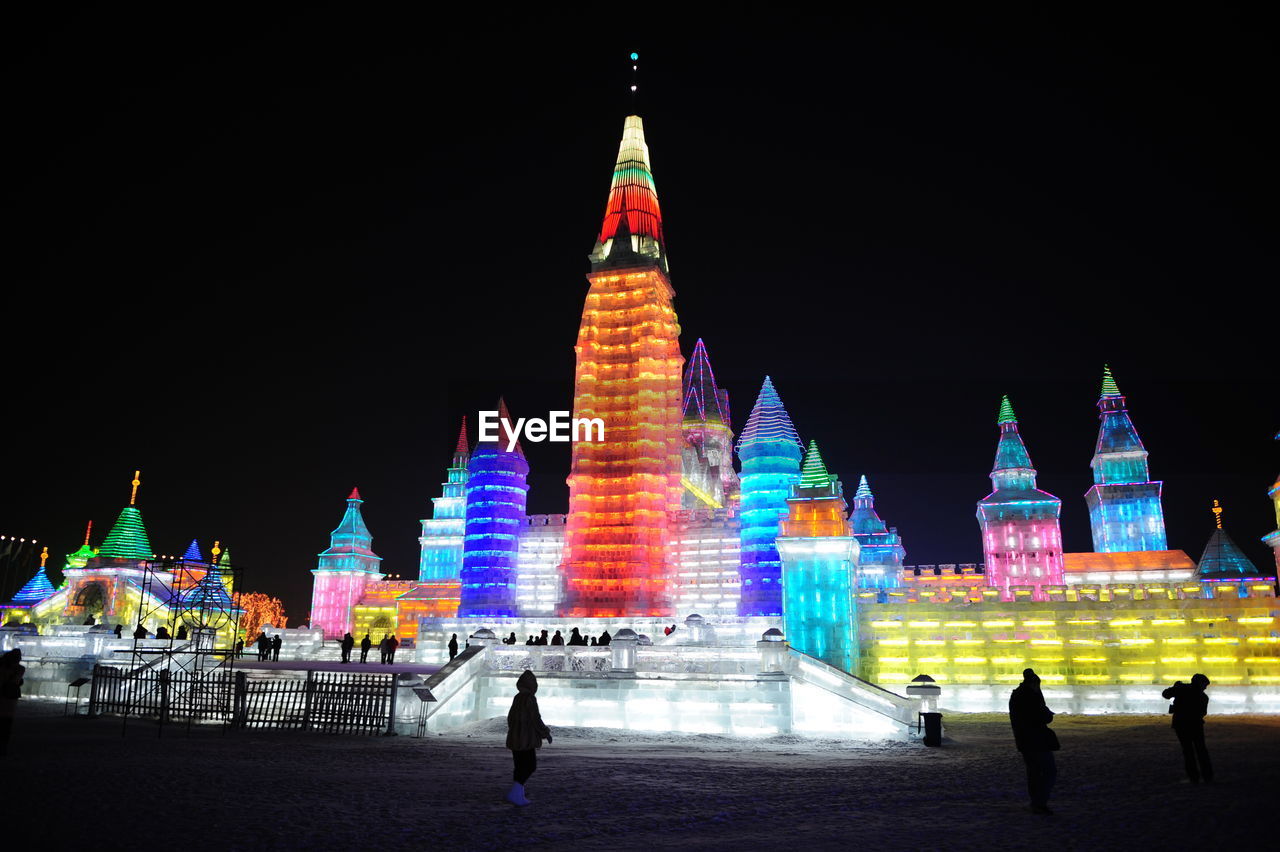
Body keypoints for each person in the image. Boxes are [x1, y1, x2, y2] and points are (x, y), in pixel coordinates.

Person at [1009, 668, 1059, 815]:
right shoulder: (1031, 696)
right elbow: (1043, 717)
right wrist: (1047, 712)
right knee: (1049, 771)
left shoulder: (1017, 695)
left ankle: (1035, 802)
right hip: (1037, 739)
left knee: (1034, 772)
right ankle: (1040, 802)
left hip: (1024, 740)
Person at [505, 669, 552, 806]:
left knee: (519, 766)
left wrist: (514, 731)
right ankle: (516, 793)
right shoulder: (530, 698)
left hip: (515, 739)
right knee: (530, 765)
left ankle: (518, 794)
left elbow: (510, 718)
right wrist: (545, 733)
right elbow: (535, 718)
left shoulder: (517, 697)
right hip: (526, 740)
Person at [1162, 673, 1213, 784]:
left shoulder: (1181, 689)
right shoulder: (1203, 697)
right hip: (1196, 725)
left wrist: (1175, 687)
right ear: (1200, 684)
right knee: (1201, 750)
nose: (1205, 688)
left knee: (1188, 751)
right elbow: (1203, 713)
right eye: (1205, 685)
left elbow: (1165, 694)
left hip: (1180, 725)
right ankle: (1208, 777)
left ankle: (1193, 777)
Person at [1, 649, 25, 757]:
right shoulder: (20, 669)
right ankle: (3, 747)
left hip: (4, 696)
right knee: (6, 725)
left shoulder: (3, 667)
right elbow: (16, 681)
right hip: (10, 697)